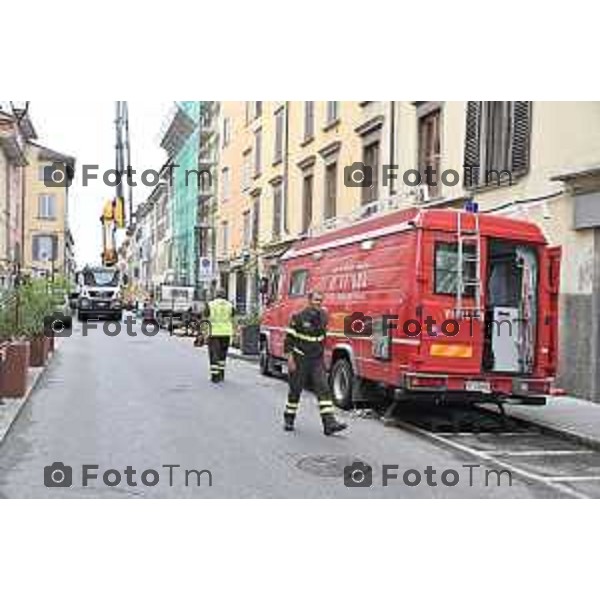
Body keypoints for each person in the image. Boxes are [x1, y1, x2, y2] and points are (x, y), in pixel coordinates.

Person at [283, 290, 347, 436]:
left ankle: (329, 423)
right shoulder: (298, 317)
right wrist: (290, 359)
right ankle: (289, 419)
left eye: (320, 300)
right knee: (295, 390)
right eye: (316, 300)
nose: (319, 303)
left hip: (316, 359)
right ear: (309, 300)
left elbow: (323, 336)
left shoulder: (324, 316)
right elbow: (289, 340)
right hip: (300, 358)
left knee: (323, 388)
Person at [204, 289, 235, 383]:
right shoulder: (230, 305)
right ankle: (221, 374)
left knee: (214, 354)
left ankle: (215, 376)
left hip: (214, 333)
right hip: (226, 333)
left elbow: (205, 316)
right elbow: (233, 316)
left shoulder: (210, 305)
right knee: (223, 354)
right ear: (225, 295)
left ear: (216, 295)